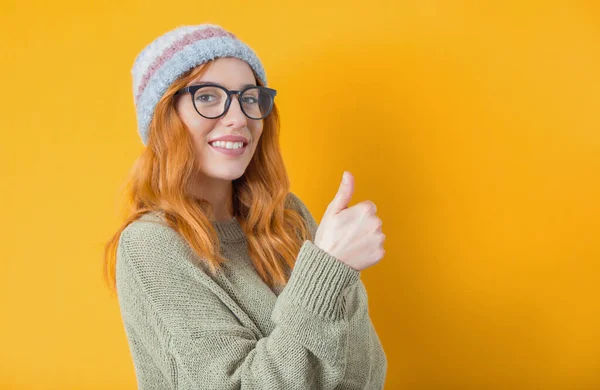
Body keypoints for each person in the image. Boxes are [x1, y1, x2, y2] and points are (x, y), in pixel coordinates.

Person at [104, 23, 387, 389]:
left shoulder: (288, 218)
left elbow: (365, 371)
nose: (238, 118)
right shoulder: (151, 246)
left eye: (250, 98)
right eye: (207, 97)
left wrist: (334, 272)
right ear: (163, 118)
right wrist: (327, 273)